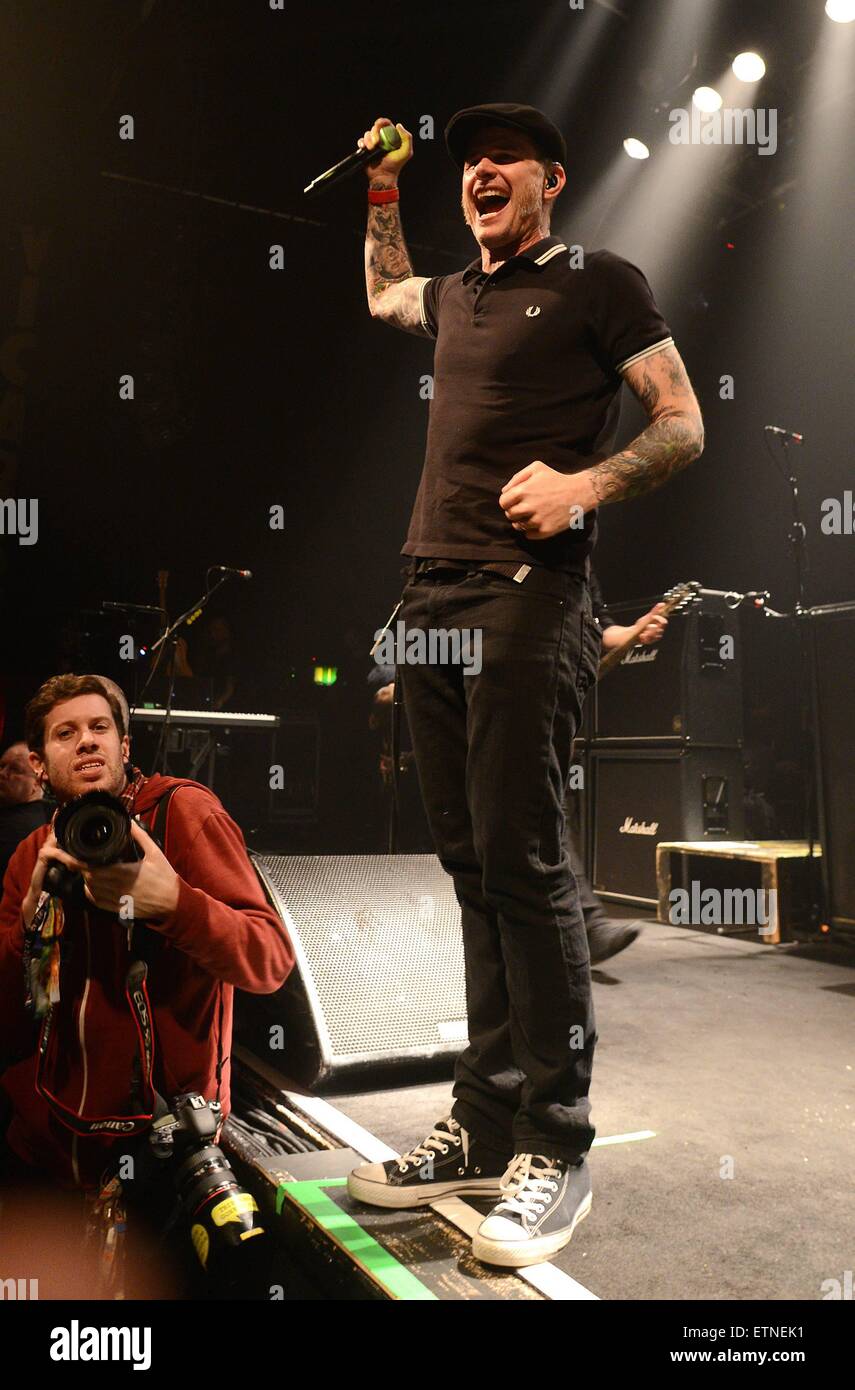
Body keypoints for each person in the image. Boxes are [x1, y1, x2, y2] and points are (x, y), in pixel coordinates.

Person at [347, 104, 704, 1267]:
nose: (481, 173)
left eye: (504, 160)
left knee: (528, 857)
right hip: (431, 599)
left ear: (550, 180)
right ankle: (487, 1118)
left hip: (528, 594)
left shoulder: (601, 282)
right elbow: (380, 295)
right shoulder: (456, 292)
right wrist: (382, 187)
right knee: (469, 861)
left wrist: (584, 488)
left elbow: (683, 424)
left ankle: (557, 1136)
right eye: (469, 161)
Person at [0, 674, 293, 1286]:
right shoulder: (32, 853)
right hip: (54, 1145)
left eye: (100, 728)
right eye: (66, 733)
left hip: (161, 1144)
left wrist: (175, 905)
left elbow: (268, 961)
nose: (86, 742)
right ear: (38, 762)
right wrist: (30, 925)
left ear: (124, 746)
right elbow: (10, 1016)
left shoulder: (181, 812)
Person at [0, 742, 53, 887]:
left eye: (15, 769)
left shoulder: (20, 827)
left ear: (37, 782)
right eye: (1, 766)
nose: (3, 774)